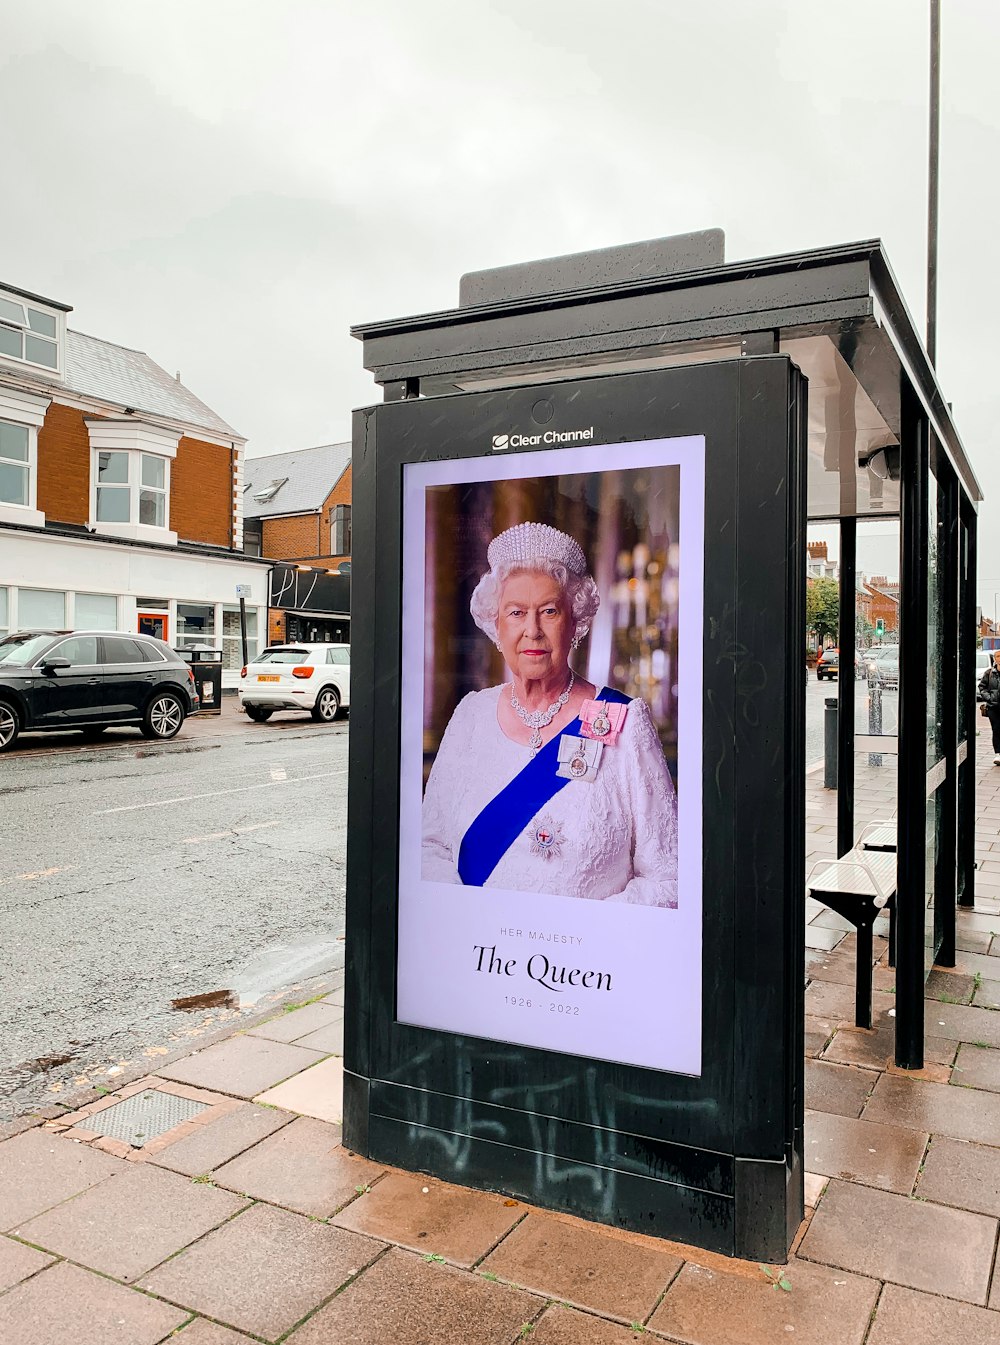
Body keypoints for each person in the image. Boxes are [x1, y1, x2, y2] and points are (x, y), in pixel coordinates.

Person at [421, 521, 678, 906]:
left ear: (575, 621)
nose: (532, 630)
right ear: (496, 624)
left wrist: (577, 937)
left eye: (549, 611)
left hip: (580, 963)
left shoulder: (623, 722)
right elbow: (430, 846)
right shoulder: (470, 716)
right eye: (516, 612)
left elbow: (668, 875)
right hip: (482, 958)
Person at [978, 649, 1000, 766]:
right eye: (998, 656)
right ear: (995, 659)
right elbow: (982, 687)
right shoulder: (989, 673)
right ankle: (998, 753)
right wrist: (989, 697)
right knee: (996, 730)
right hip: (993, 707)